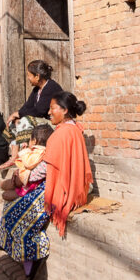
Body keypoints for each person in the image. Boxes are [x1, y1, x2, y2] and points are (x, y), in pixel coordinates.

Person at [0, 125, 54, 280]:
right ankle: (21, 255)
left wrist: (21, 177)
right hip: (31, 191)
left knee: (20, 219)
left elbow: (36, 174)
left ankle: (33, 258)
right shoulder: (35, 155)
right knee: (9, 208)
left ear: (35, 140)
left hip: (40, 195)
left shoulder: (45, 156)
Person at [44, 91, 93, 237]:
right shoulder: (75, 129)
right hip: (77, 192)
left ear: (65, 110)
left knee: (14, 204)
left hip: (63, 193)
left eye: (52, 108)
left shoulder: (61, 134)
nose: (49, 112)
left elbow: (48, 169)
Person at [2, 60, 62, 167]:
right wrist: (17, 115)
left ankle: (27, 155)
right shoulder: (36, 90)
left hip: (53, 123)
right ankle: (14, 156)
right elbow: (27, 106)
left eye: (29, 75)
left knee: (24, 121)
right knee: (14, 122)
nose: (28, 78)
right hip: (40, 121)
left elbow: (40, 111)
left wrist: (19, 114)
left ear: (37, 76)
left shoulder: (51, 87)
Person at [0, 123, 53, 202]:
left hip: (29, 186)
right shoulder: (44, 151)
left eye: (30, 140)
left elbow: (28, 163)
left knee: (5, 194)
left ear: (34, 141)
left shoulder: (38, 152)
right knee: (3, 186)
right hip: (25, 182)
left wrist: (24, 151)